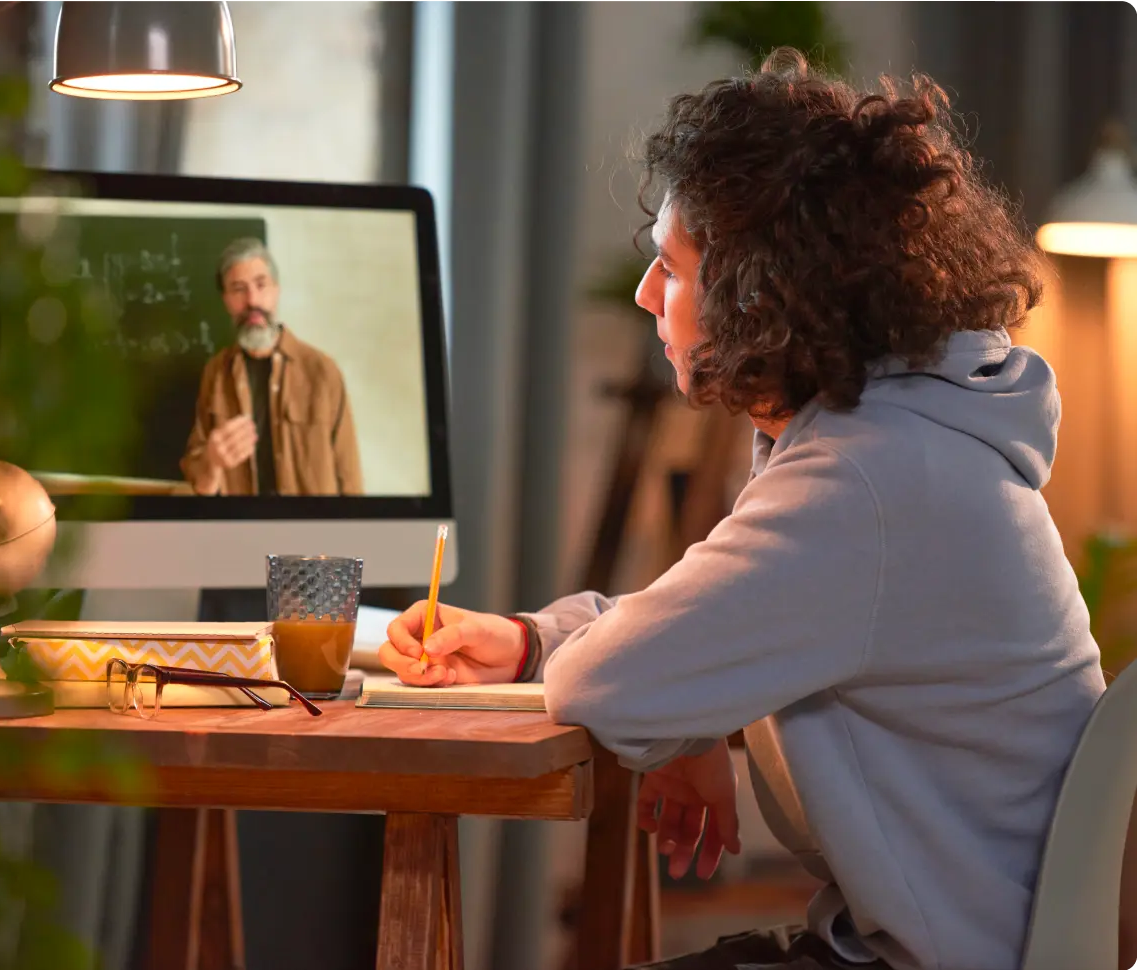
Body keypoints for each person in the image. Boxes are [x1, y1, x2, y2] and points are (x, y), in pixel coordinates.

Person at [377, 49, 1106, 970]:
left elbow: (607, 685)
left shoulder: (864, 482)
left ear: (765, 296)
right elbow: (698, 634)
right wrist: (534, 643)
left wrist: (675, 705)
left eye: (672, 270)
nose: (647, 296)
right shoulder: (901, 443)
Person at [180, 238, 363, 496]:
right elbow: (197, 468)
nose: (252, 300)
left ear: (276, 290)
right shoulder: (216, 373)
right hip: (242, 532)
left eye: (261, 285)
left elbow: (350, 480)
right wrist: (212, 462)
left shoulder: (322, 371)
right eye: (238, 289)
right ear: (225, 300)